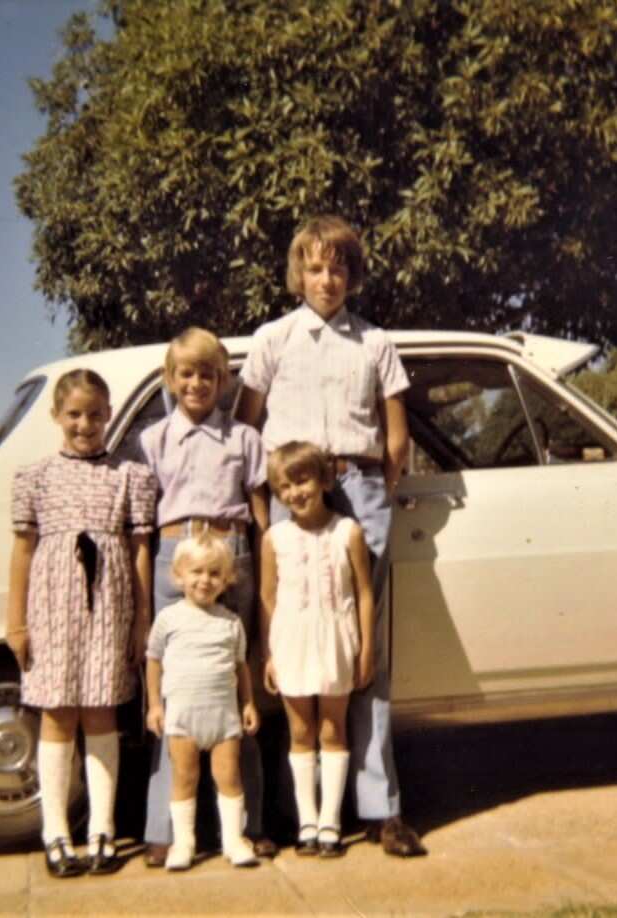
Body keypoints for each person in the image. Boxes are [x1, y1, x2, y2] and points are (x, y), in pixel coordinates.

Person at [237, 214, 426, 857]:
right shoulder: (273, 338)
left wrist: (377, 490)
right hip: (293, 497)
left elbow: (395, 436)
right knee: (290, 648)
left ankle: (381, 809)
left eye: (338, 266)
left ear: (353, 274)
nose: (327, 278)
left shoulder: (375, 343)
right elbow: (246, 432)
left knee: (360, 650)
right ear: (298, 274)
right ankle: (300, 816)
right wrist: (267, 513)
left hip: (359, 488)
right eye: (315, 267)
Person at [6, 368, 156, 878]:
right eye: (74, 414)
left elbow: (139, 552)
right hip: (52, 609)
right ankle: (55, 833)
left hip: (109, 609)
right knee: (57, 715)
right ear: (56, 417)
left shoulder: (128, 476)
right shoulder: (36, 477)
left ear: (110, 414)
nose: (85, 424)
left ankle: (103, 830)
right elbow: (23, 552)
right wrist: (16, 622)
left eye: (95, 414)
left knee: (101, 714)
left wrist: (141, 620)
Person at [139, 326, 274, 866]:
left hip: (232, 551)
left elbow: (261, 513)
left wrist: (266, 575)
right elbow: (141, 526)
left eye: (208, 374)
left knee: (233, 680)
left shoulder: (244, 438)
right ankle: (164, 827)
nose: (197, 383)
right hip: (175, 552)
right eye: (186, 374)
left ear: (223, 381)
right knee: (177, 690)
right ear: (170, 381)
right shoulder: (153, 440)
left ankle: (250, 823)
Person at [261, 442, 375, 857]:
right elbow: (268, 598)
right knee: (301, 731)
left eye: (302, 480)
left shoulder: (348, 532)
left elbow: (364, 592)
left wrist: (366, 650)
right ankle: (306, 821)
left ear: (325, 479)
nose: (295, 493)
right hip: (291, 640)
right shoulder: (275, 538)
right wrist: (270, 655)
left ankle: (331, 821)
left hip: (336, 639)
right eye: (284, 487)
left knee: (332, 729)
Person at [145, 534, 261, 869]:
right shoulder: (168, 619)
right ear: (179, 575)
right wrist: (155, 705)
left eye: (214, 574)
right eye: (196, 571)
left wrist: (249, 704)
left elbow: (240, 668)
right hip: (182, 716)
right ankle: (183, 844)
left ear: (226, 580)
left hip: (223, 718)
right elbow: (153, 661)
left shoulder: (230, 622)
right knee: (184, 778)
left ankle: (234, 840)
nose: (205, 580)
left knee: (229, 777)